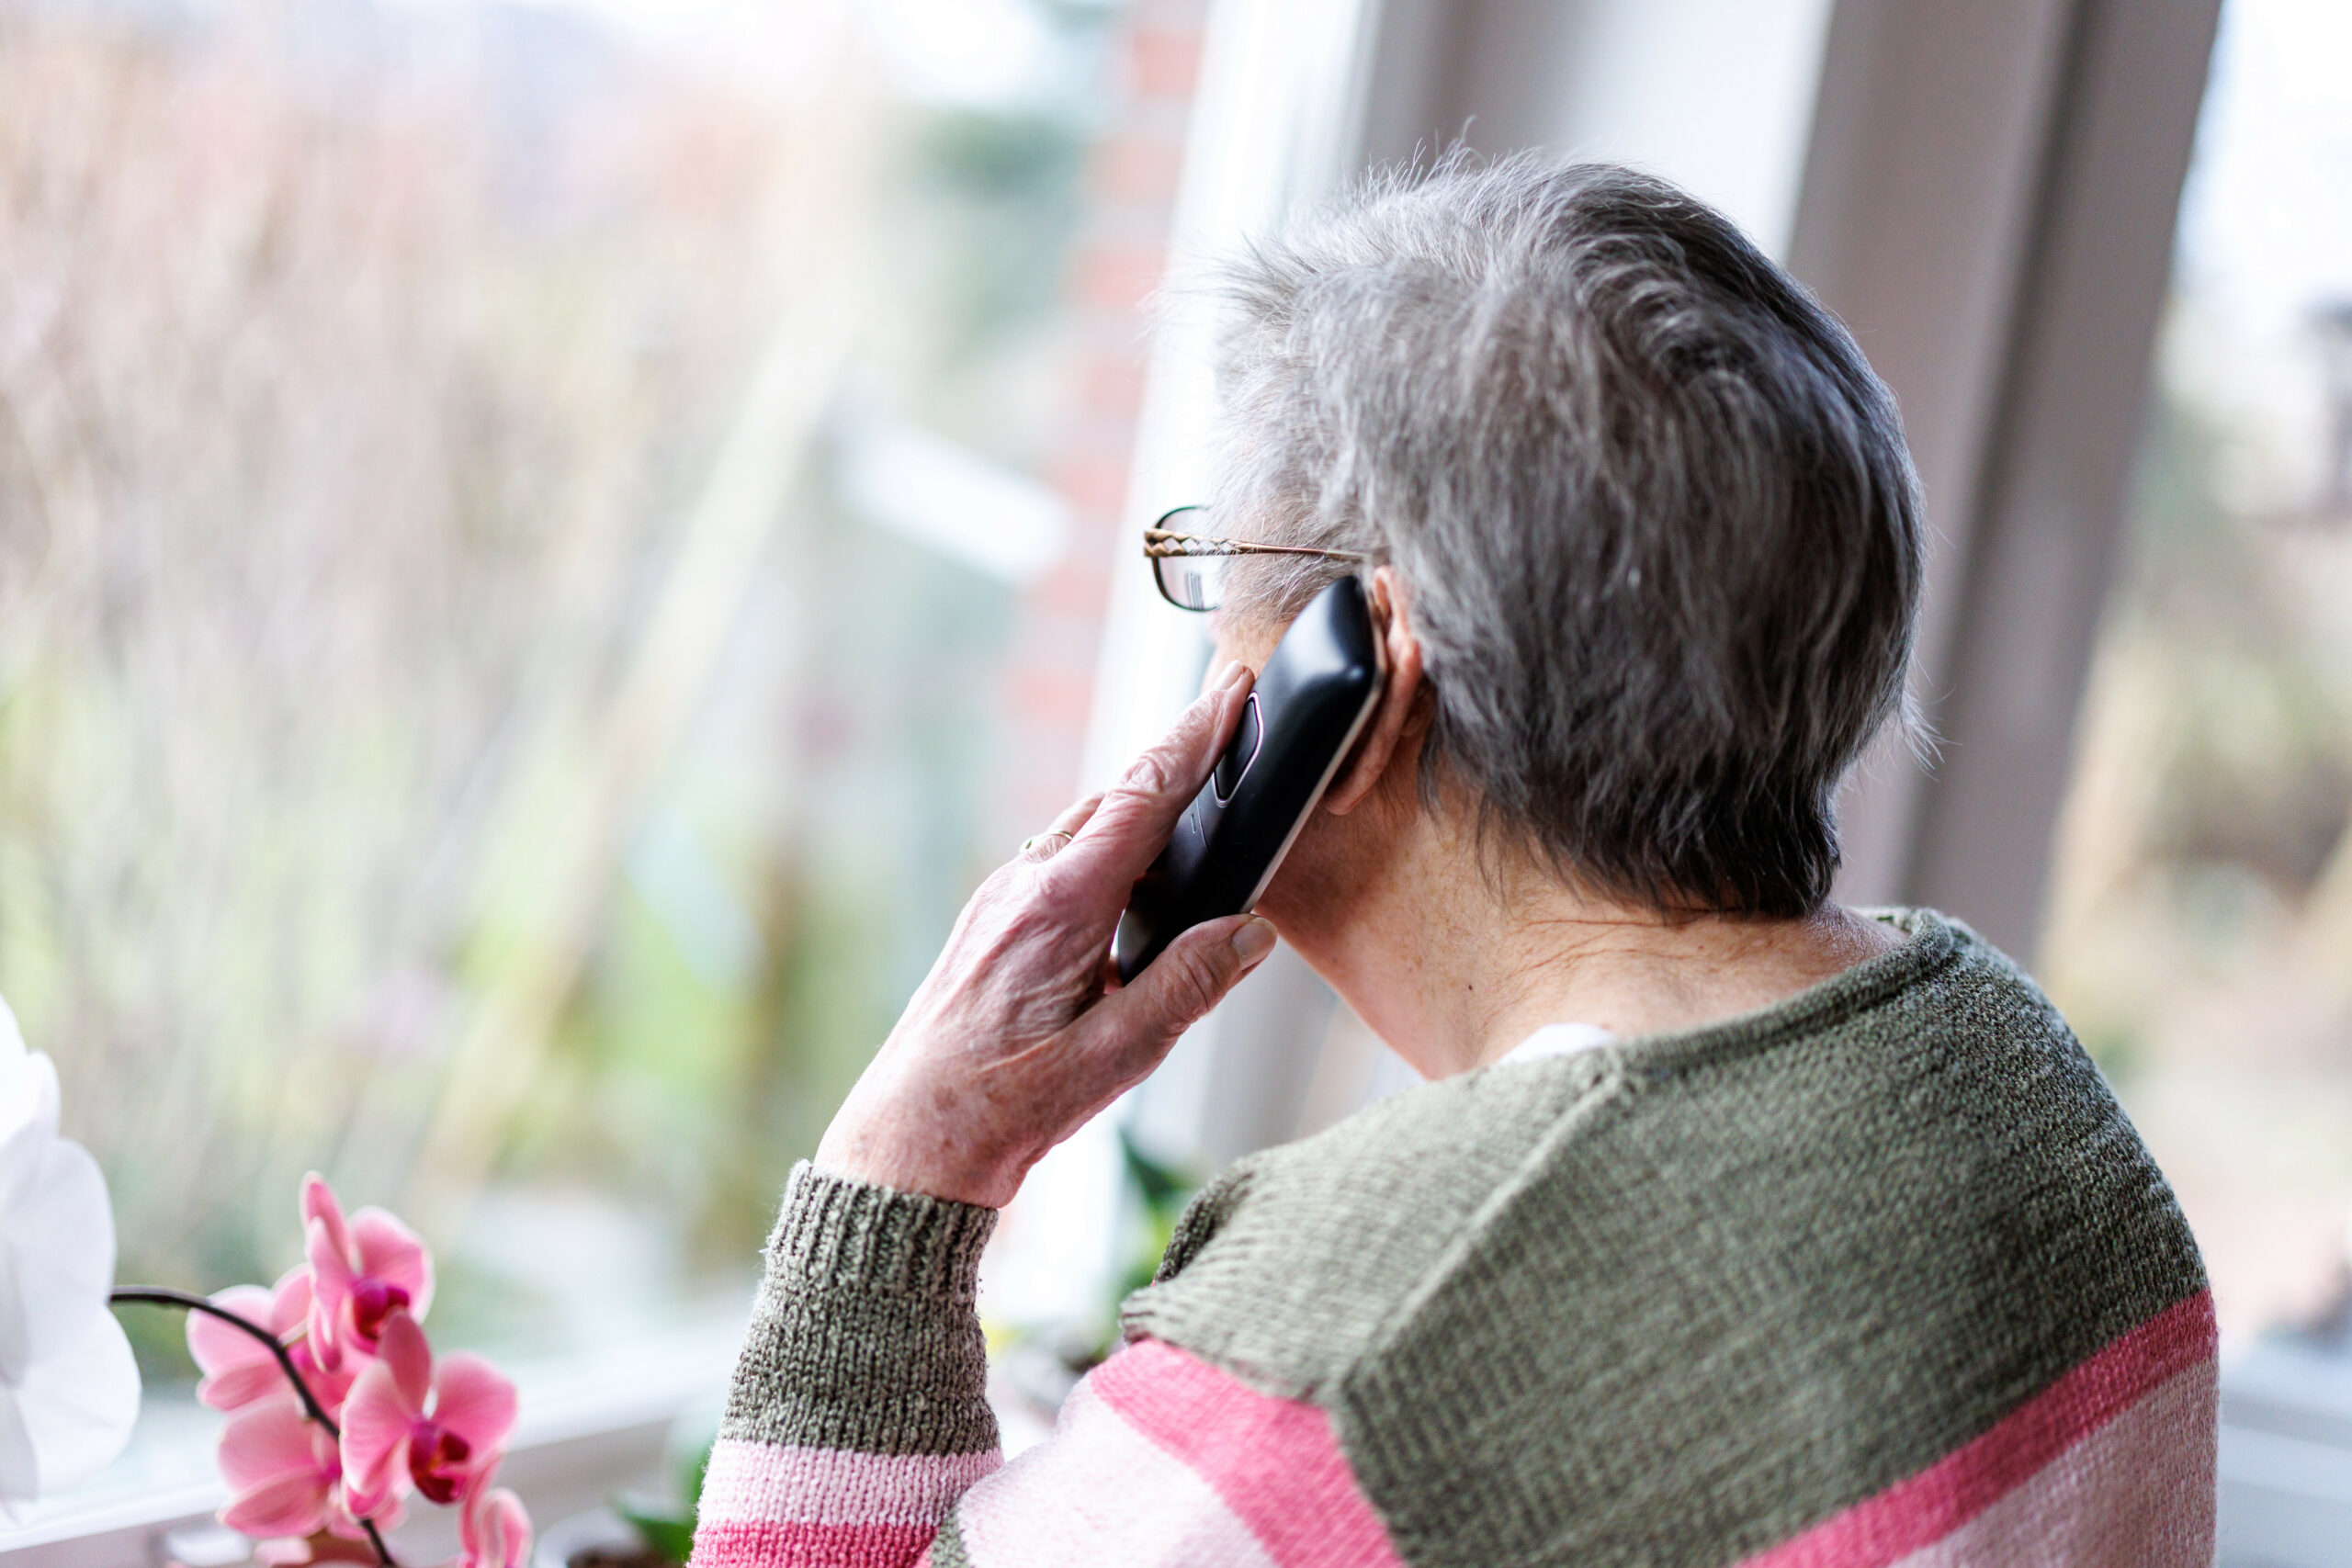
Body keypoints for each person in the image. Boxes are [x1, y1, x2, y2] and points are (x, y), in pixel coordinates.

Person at [686, 158, 2214, 1568]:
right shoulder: (2013, 1071)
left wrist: (907, 1168)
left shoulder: (1364, 1342)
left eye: (1221, 577)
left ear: (1365, 668)